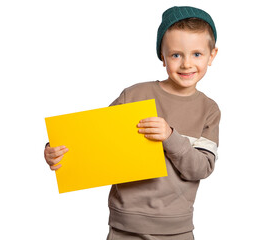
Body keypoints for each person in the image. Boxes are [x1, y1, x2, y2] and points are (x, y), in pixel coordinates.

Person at [44, 6, 221, 240]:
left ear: (212, 55)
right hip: (123, 225)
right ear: (162, 56)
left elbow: (201, 168)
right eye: (176, 54)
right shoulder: (135, 95)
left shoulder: (208, 109)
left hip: (176, 229)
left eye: (196, 54)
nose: (187, 63)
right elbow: (94, 139)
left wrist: (170, 136)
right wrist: (53, 150)